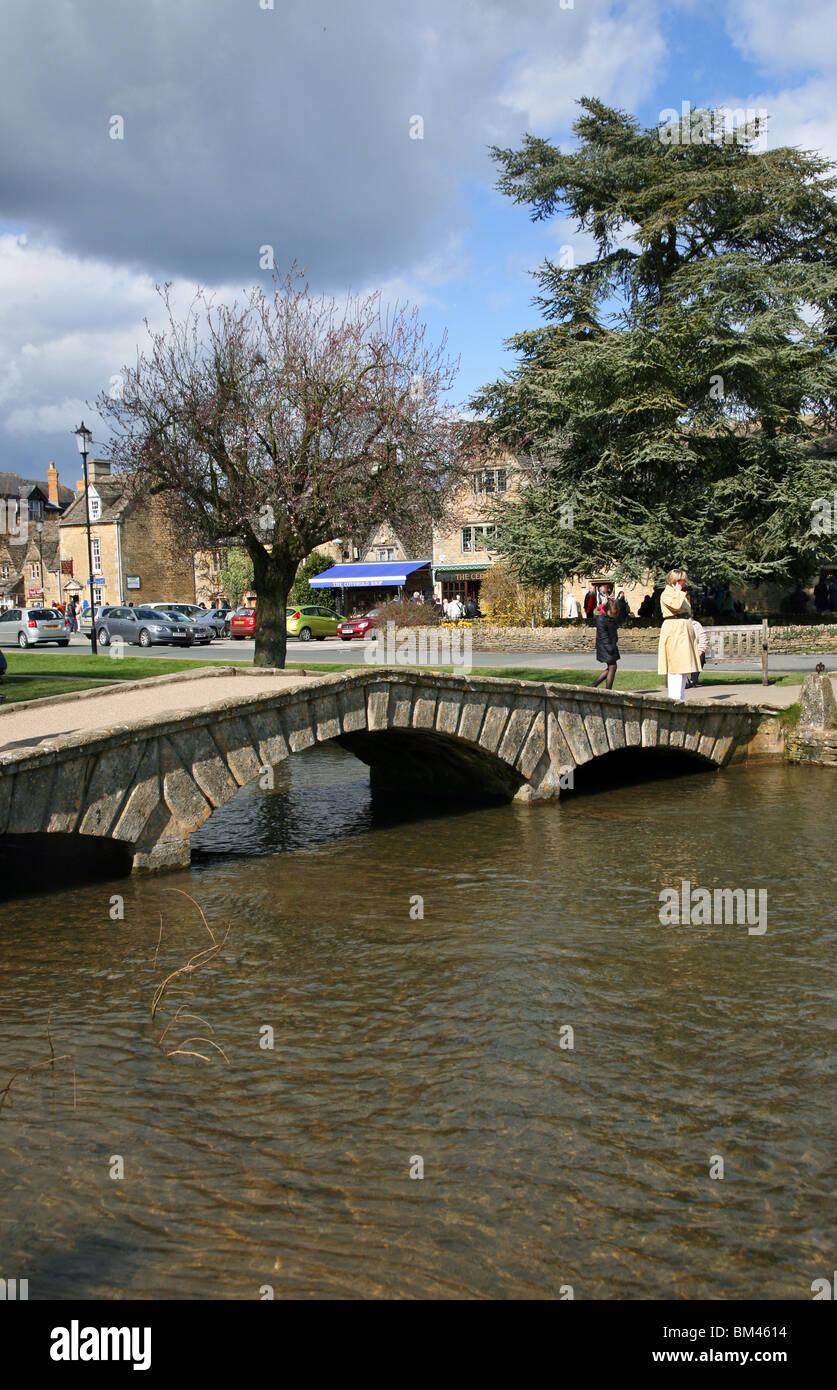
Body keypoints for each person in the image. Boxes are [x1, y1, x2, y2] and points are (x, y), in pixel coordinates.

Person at [657, 569, 701, 701]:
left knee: (683, 667)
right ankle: (674, 699)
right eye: (682, 580)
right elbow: (675, 606)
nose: (684, 583)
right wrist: (677, 592)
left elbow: (687, 611)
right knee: (676, 666)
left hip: (683, 630)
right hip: (674, 631)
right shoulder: (667, 594)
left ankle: (680, 697)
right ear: (675, 581)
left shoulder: (679, 594)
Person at [592, 598, 621, 689]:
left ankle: (594, 685)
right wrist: (610, 648)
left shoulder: (611, 618)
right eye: (612, 613)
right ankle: (608, 690)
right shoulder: (601, 619)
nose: (614, 615)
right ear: (607, 610)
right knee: (612, 666)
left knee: (612, 667)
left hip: (611, 645)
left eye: (615, 613)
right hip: (605, 646)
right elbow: (603, 636)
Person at [685, 594, 708, 688]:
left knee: (701, 657)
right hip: (685, 650)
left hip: (696, 649)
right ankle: (684, 681)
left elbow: (703, 638)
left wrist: (700, 650)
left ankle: (693, 681)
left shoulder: (696, 625)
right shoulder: (680, 626)